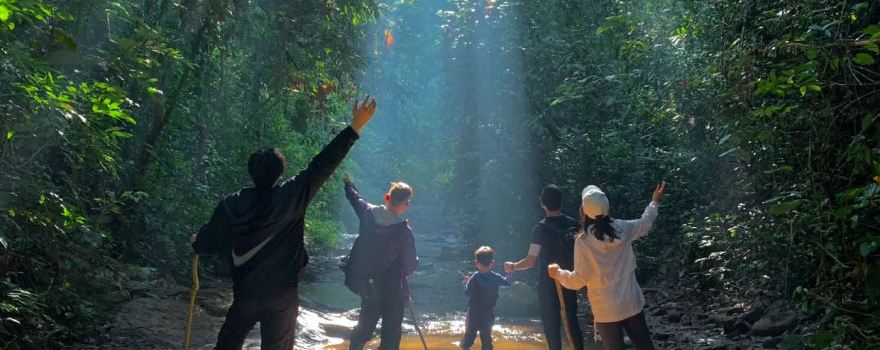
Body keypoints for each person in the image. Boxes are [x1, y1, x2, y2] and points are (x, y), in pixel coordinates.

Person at [189, 96, 378, 350]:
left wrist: (197, 242)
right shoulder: (291, 197)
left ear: (251, 171)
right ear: (280, 172)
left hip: (245, 293)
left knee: (227, 344)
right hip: (282, 295)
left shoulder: (231, 204)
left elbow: (209, 242)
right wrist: (355, 127)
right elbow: (322, 165)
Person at [548, 181, 667, 350]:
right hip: (631, 302)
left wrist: (558, 273)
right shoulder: (623, 228)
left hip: (605, 310)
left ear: (584, 211)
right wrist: (654, 202)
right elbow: (645, 222)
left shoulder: (583, 242)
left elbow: (578, 280)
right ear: (607, 207)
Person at [503, 184, 584, 350]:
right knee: (572, 322)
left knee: (551, 328)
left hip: (547, 284)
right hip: (569, 279)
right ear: (560, 202)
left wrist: (513, 266)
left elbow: (531, 261)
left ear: (542, 203)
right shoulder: (575, 225)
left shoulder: (540, 229)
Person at [343, 172, 418, 350]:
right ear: (404, 204)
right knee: (391, 334)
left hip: (369, 284)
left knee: (364, 327)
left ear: (387, 197)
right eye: (407, 202)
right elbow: (411, 265)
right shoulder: (403, 231)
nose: (407, 206)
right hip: (393, 288)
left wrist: (348, 184)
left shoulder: (368, 213)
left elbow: (356, 199)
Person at [460, 246, 511, 350]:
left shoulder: (474, 278)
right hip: (488, 313)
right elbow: (507, 283)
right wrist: (510, 272)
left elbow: (467, 292)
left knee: (468, 338)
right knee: (487, 340)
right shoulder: (496, 277)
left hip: (474, 313)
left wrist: (465, 283)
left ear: (476, 263)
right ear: (492, 263)